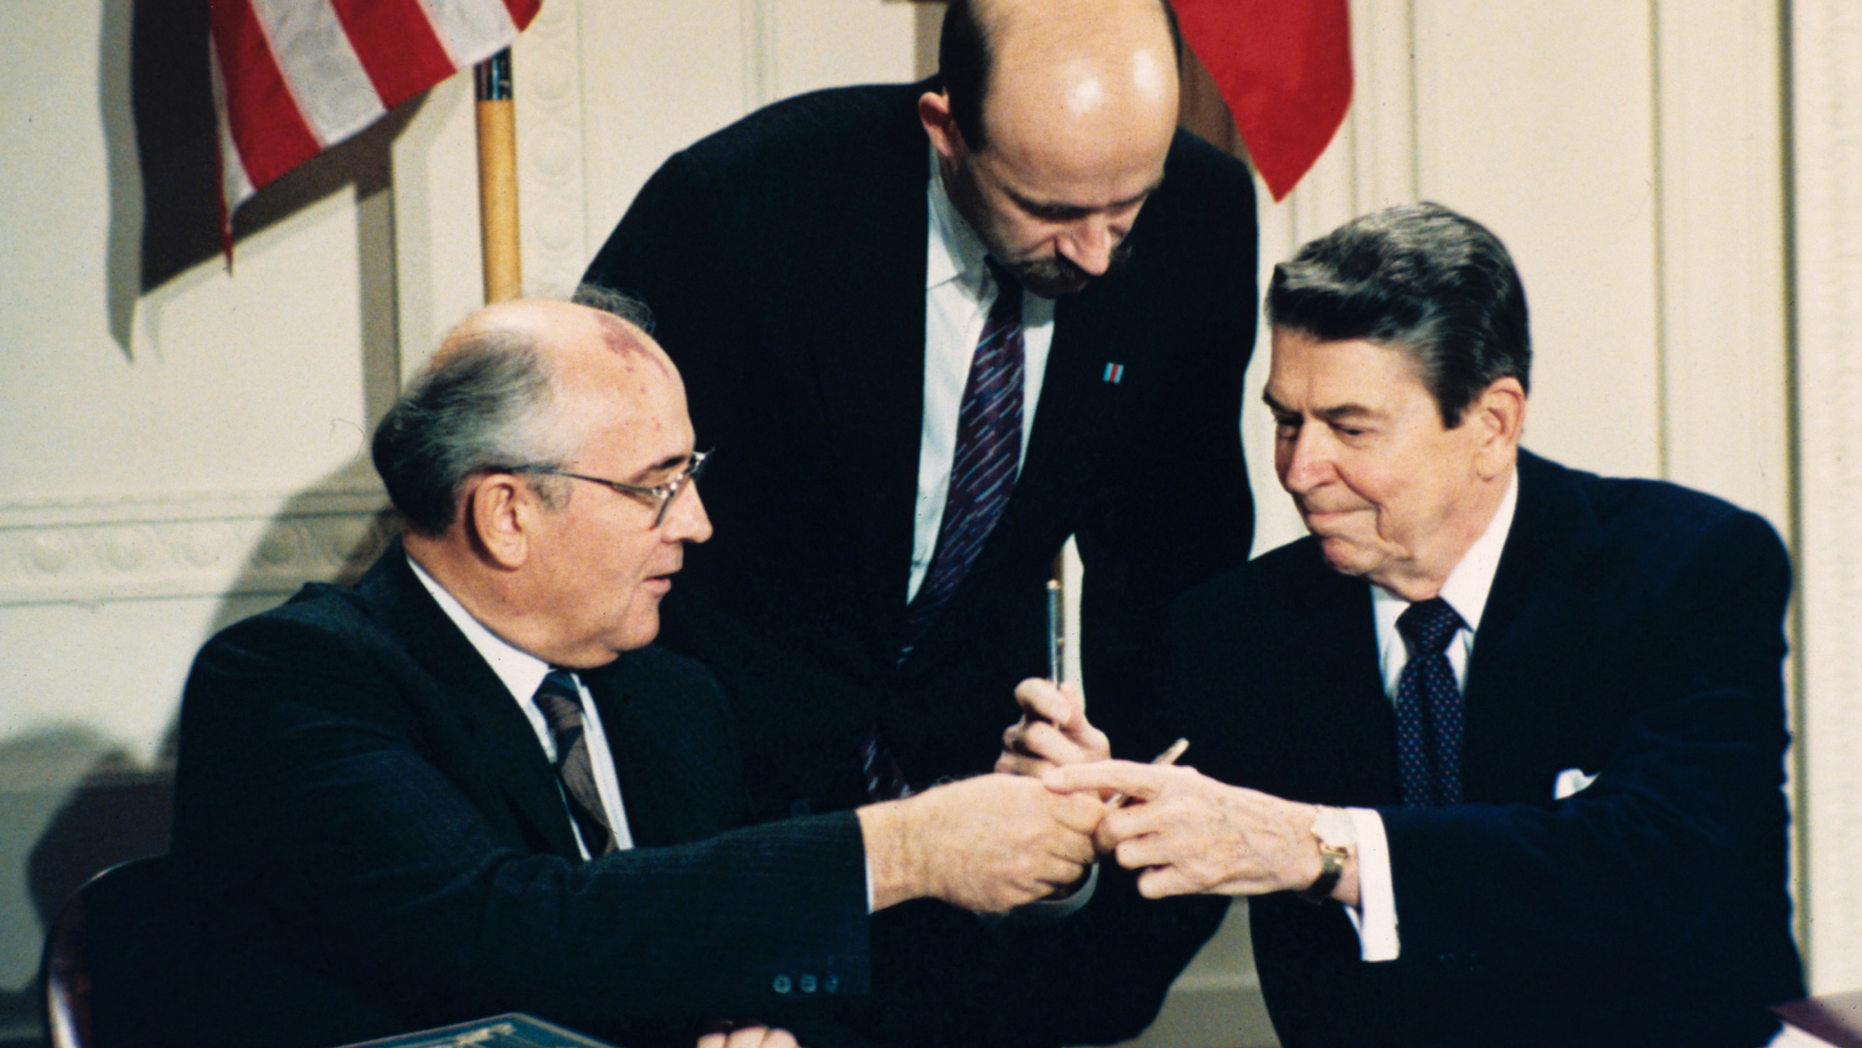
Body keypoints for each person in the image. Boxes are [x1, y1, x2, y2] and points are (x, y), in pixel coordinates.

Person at [146, 298, 1105, 1048]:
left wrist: (1023, 840)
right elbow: (510, 933)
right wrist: (909, 847)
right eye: (657, 486)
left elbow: (760, 933)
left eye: (692, 475)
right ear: (506, 514)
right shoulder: (291, 683)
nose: (696, 523)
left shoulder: (667, 696)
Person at [581, 1, 1254, 1040]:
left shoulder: (1201, 219)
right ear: (944, 127)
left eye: (1127, 208)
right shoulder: (735, 206)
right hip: (730, 806)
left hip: (982, 826)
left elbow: (1177, 554)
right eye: (1048, 208)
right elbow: (600, 516)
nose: (1094, 256)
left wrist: (1105, 811)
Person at [1043, 203, 1806, 1047]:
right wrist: (1076, 834)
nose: (1300, 470)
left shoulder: (1689, 569)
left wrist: (1315, 848)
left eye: (1349, 427)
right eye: (1286, 420)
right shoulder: (1236, 629)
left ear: (1492, 425)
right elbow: (1110, 974)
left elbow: (1652, 869)